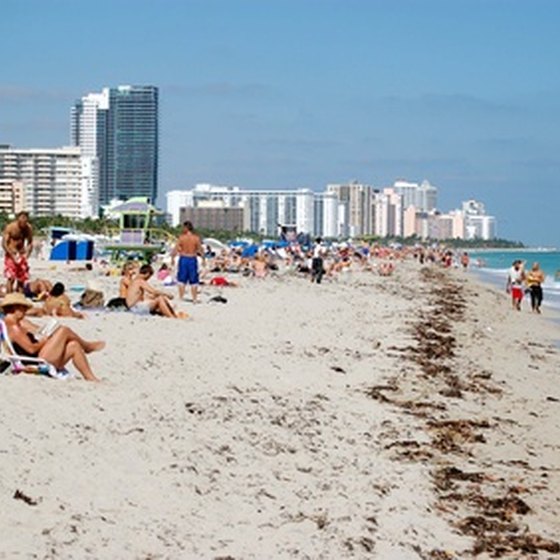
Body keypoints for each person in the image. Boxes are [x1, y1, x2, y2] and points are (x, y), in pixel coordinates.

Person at [1, 292, 104, 381]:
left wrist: (46, 334)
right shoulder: (14, 327)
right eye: (23, 308)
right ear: (15, 308)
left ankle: (91, 378)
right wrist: (45, 340)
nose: (25, 311)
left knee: (74, 345)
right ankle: (87, 347)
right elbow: (31, 349)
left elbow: (35, 331)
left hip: (39, 357)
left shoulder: (16, 323)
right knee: (64, 330)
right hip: (37, 361)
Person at [2, 211, 33, 294]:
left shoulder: (28, 228)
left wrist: (27, 254)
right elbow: (4, 243)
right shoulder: (10, 227)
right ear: (18, 219)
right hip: (11, 253)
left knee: (21, 279)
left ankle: (19, 298)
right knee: (11, 278)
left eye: (25, 221)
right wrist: (12, 255)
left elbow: (30, 242)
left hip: (21, 254)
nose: (23, 223)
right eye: (22, 221)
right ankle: (9, 298)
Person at [173, 221, 202, 302]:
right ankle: (194, 299)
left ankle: (181, 297)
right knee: (194, 279)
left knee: (181, 279)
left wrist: (172, 258)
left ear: (186, 228)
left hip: (184, 259)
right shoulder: (196, 238)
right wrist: (203, 259)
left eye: (183, 227)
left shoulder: (181, 238)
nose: (182, 229)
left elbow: (175, 248)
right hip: (192, 259)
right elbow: (200, 249)